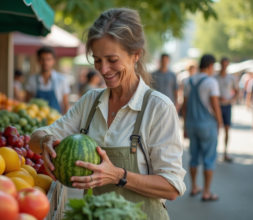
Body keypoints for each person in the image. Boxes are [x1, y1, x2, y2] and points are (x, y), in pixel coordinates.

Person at [28, 8, 186, 219]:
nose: (103, 69)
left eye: (112, 60)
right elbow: (34, 139)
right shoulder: (90, 102)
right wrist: (46, 139)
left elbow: (171, 187)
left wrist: (117, 175)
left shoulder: (158, 108)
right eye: (97, 60)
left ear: (135, 54)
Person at [182, 54, 222, 202]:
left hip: (191, 124)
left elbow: (184, 107)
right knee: (209, 158)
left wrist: (184, 126)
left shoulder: (188, 81)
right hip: (207, 125)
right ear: (211, 65)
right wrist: (220, 122)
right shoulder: (211, 82)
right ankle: (206, 192)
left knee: (193, 157)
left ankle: (193, 187)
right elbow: (215, 105)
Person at [25, 46, 70, 114]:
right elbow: (27, 102)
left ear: (53, 61)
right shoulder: (31, 80)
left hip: (56, 121)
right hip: (36, 122)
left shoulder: (62, 80)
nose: (45, 62)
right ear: (38, 60)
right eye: (42, 59)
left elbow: (66, 104)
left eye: (48, 59)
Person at [214, 57, 238, 162]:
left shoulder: (231, 78)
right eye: (223, 64)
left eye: (226, 64)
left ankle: (225, 152)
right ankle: (214, 152)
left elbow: (237, 91)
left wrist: (231, 99)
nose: (224, 66)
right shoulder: (215, 78)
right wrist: (218, 98)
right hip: (217, 105)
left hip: (227, 106)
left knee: (227, 129)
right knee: (215, 129)